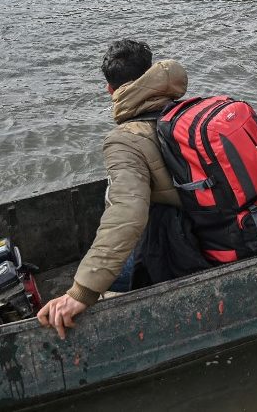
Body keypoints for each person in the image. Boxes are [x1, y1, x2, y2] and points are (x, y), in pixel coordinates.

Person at [37, 40, 189, 339]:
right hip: (207, 218)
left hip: (176, 240)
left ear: (110, 90)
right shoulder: (187, 111)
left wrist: (81, 292)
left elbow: (127, 214)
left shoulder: (125, 139)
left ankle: (114, 292)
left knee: (117, 218)